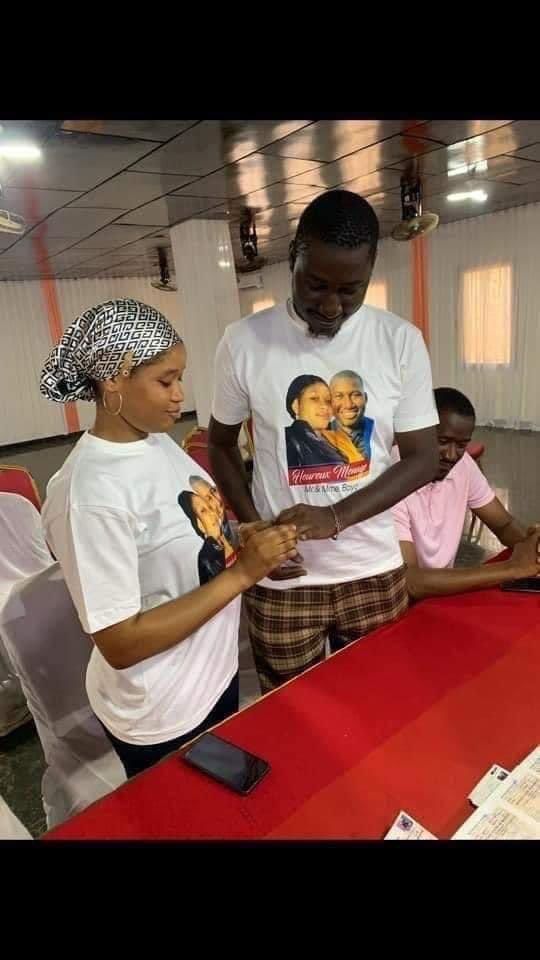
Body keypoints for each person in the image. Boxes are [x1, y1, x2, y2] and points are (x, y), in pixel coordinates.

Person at [40, 298, 298, 777]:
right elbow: (121, 642)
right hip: (163, 709)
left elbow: (185, 532)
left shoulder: (157, 441)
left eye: (180, 378)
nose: (180, 395)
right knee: (183, 809)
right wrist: (243, 573)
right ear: (113, 378)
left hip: (211, 673)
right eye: (165, 381)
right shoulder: (89, 494)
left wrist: (239, 535)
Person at [209, 190, 440, 692]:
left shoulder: (399, 341)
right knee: (292, 713)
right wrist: (253, 527)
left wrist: (335, 517)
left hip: (373, 570)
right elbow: (221, 444)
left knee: (380, 701)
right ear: (294, 256)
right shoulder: (243, 342)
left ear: (371, 270)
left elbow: (423, 459)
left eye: (351, 290)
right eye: (315, 285)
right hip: (284, 581)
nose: (332, 306)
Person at [392, 387, 540, 599]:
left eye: (461, 445)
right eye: (442, 442)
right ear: (418, 433)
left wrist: (533, 545)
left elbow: (504, 524)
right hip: (399, 604)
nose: (451, 455)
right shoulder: (390, 480)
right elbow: (411, 582)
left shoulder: (463, 466)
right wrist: (511, 568)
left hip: (440, 594)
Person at [285, 374, 350, 468]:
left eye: (328, 400)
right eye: (314, 399)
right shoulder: (290, 441)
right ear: (296, 406)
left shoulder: (336, 438)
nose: (324, 406)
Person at [178, 488, 235, 585]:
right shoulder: (207, 559)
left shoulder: (231, 534)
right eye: (203, 511)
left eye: (209, 507)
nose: (212, 513)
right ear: (198, 523)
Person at [329, 370, 374, 461]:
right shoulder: (319, 437)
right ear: (330, 401)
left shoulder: (378, 429)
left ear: (365, 398)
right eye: (339, 396)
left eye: (355, 395)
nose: (348, 405)